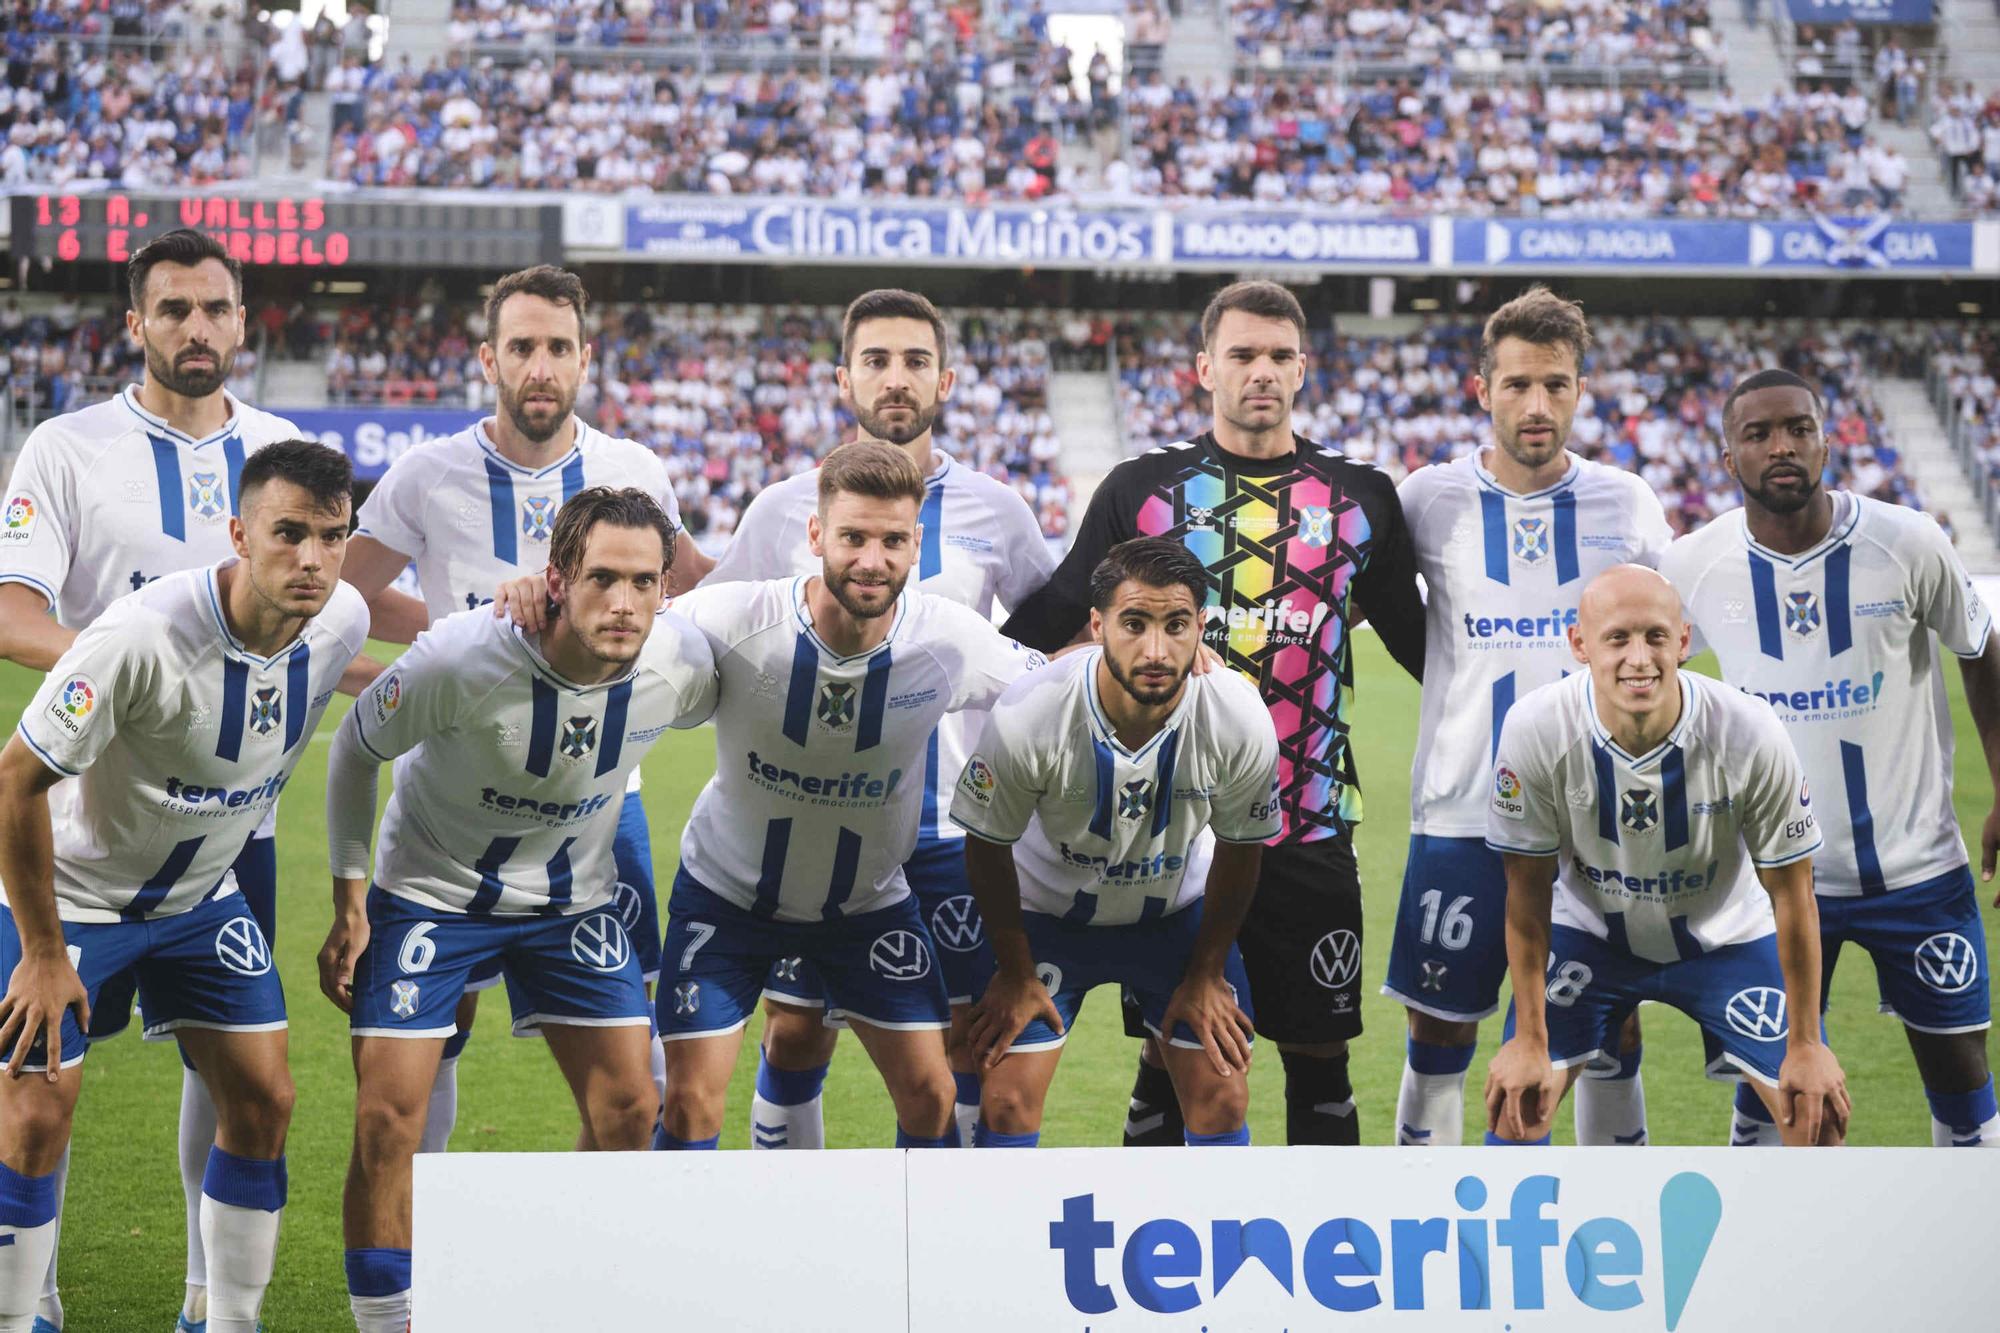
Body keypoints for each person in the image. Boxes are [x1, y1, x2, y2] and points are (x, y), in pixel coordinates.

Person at [0, 229, 369, 1333]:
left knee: (237, 1076)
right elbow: (12, 608)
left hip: (227, 833)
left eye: (216, 309)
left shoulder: (284, 455)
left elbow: (331, 616)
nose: (196, 329)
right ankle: (33, 1304)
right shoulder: (67, 449)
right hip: (88, 813)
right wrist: (135, 670)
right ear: (136, 325)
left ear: (244, 322)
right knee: (38, 1085)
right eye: (173, 310)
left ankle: (216, 1302)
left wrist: (486, 637)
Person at [1002, 280, 1425, 1148]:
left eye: (1278, 356)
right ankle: (1158, 1264)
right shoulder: (1143, 491)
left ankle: (1329, 1267)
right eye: (1241, 355)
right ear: (1205, 368)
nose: (1260, 372)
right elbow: (1048, 624)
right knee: (1176, 1053)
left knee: (1319, 1056)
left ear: (1304, 369)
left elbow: (1429, 650)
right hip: (1173, 836)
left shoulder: (1361, 499)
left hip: (1307, 826)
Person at [321, 488, 717, 1332]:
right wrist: (349, 901)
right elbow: (356, 746)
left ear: (665, 590)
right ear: (556, 578)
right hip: (433, 895)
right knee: (388, 1116)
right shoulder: (459, 659)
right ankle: (388, 1323)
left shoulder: (683, 664)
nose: (623, 602)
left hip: (571, 903)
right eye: (602, 577)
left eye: (644, 582)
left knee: (630, 1108)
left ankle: (573, 1294)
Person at [336, 265, 711, 1156]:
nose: (539, 366)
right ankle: (419, 1270)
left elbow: (691, 593)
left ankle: (584, 1266)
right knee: (429, 1051)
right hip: (453, 809)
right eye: (521, 348)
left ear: (585, 360)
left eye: (557, 348)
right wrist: (441, 645)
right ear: (488, 360)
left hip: (600, 812)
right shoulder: (430, 474)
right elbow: (339, 602)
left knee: (634, 1080)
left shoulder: (633, 469)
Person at [704, 289, 1055, 1151]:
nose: (895, 380)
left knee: (961, 1046)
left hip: (948, 828)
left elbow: (1053, 648)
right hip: (812, 825)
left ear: (947, 380)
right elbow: (704, 632)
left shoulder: (997, 511)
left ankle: (934, 1249)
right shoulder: (785, 507)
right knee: (794, 1030)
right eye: (876, 361)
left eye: (914, 362)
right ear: (842, 378)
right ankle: (795, 1238)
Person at [1660, 368, 2000, 1148]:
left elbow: (1980, 648)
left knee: (1961, 1085)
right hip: (1772, 881)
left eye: (1797, 428)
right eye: (1758, 433)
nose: (1781, 446)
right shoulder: (1695, 565)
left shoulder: (1909, 541)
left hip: (1915, 870)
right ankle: (1761, 1260)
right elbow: (1641, 672)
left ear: (1826, 438)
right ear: (1727, 456)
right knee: (1769, 1101)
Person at [1385, 288, 1671, 1148]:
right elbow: (1385, 615)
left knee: (1608, 1029)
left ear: (1581, 389)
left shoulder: (1627, 502)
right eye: (1516, 384)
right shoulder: (1428, 499)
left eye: (1555, 383)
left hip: (1595, 820)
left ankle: (1603, 1225)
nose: (1536, 404)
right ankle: (1420, 1221)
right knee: (1439, 1028)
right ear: (1483, 389)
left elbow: (1663, 655)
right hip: (1461, 813)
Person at [1484, 565, 1850, 1146]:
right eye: (1617, 639)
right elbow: (1526, 895)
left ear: (1682, 641)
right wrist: (1529, 1036)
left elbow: (1792, 891)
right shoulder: (1536, 728)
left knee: (1816, 1114)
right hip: (1591, 935)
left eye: (1655, 636)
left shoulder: (1748, 731)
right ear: (1580, 645)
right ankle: (1593, 1224)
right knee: (1518, 1107)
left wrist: (1806, 1044)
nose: (1639, 658)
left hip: (1725, 937)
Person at [957, 538, 1280, 1146]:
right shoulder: (1033, 709)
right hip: (1046, 917)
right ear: (1098, 624)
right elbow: (986, 844)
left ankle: (1212, 1240)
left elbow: (1243, 847)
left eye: (1176, 625)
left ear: (1201, 627)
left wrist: (1209, 971)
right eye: (1134, 623)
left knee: (1224, 1096)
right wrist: (1016, 972)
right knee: (1004, 1102)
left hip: (1176, 920)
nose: (1156, 649)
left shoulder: (1236, 713)